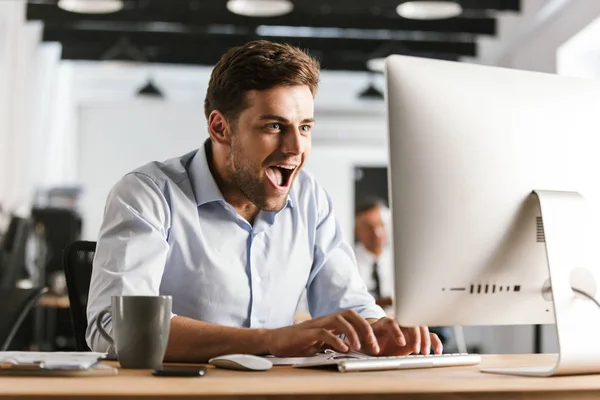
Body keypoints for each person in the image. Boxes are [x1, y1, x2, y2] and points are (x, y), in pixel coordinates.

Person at [86, 40, 443, 362]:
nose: (295, 148)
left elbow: (347, 304)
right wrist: (269, 340)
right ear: (220, 128)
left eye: (305, 127)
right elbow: (116, 328)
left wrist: (379, 331)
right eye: (274, 126)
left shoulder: (309, 197)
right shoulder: (147, 194)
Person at [354, 198, 394, 308]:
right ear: (356, 229)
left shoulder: (399, 260)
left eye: (380, 225)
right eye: (368, 227)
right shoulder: (348, 261)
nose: (376, 232)